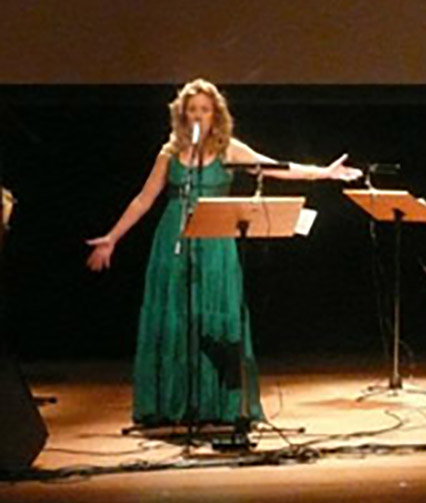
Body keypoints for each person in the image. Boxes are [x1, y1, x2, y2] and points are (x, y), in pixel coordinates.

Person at [85, 78, 361, 427]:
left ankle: (220, 403)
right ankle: (173, 403)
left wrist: (322, 173)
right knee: (177, 315)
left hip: (215, 241)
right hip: (174, 238)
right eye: (192, 110)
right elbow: (144, 199)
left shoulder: (230, 149)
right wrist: (112, 237)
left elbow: (277, 167)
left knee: (215, 315)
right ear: (182, 115)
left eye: (205, 109)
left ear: (216, 114)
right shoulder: (168, 154)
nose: (199, 116)